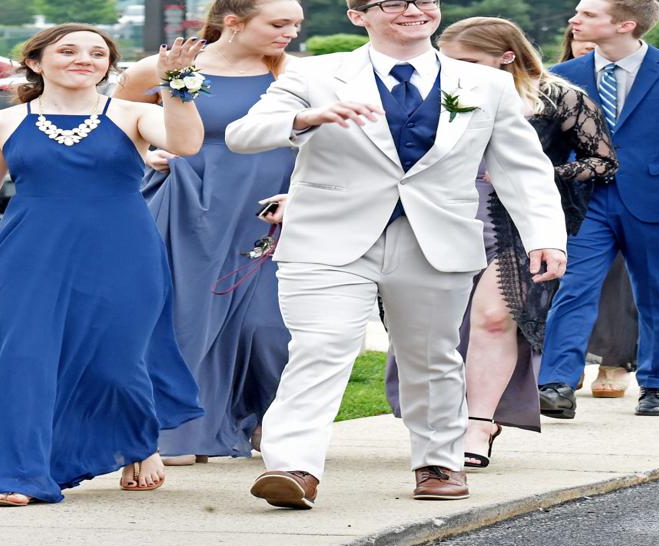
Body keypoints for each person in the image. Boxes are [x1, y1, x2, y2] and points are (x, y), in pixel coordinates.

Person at [223, 0, 567, 509]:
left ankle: (438, 462)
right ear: (357, 14)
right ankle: (293, 466)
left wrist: (545, 235)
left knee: (430, 356)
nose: (413, 10)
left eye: (423, 0)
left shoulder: (485, 84)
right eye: (393, 2)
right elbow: (241, 135)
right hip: (328, 237)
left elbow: (523, 168)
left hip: (437, 240)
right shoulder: (313, 74)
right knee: (320, 348)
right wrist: (305, 118)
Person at [0, 25, 206, 506]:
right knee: (23, 359)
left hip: (122, 251)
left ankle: (136, 440)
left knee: (117, 359)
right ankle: (14, 474)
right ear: (35, 62)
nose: (83, 59)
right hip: (28, 252)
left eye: (96, 53)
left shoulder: (134, 113)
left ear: (109, 66)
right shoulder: (1, 122)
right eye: (68, 50)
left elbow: (187, 143)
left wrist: (178, 84)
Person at [389, 16, 614, 468]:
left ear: (506, 56)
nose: (455, 68)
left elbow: (603, 162)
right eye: (449, 59)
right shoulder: (433, 90)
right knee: (440, 326)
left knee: (495, 318)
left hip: (517, 222)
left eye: (469, 60)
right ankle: (439, 422)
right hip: (443, 213)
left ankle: (479, 424)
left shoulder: (559, 96)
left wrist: (541, 174)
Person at [114, 0, 303, 466]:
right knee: (184, 318)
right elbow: (114, 123)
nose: (291, 33)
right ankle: (178, 428)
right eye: (279, 23)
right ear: (234, 23)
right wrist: (144, 154)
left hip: (267, 210)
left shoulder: (295, 74)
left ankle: (265, 418)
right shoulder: (163, 67)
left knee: (269, 327)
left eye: (296, 24)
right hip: (189, 204)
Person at [538, 0, 659, 418]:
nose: (574, 20)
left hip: (658, 201)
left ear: (625, 24)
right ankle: (555, 383)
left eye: (588, 14)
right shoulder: (561, 77)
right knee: (574, 288)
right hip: (585, 201)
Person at [559, 26, 638, 399]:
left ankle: (615, 359)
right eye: (581, 43)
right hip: (560, 192)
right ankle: (562, 362)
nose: (588, 50)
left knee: (614, 281)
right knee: (559, 280)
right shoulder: (552, 82)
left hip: (620, 192)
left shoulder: (636, 77)